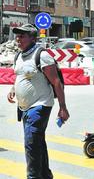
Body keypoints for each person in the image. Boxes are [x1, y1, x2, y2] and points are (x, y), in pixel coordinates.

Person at [7, 24, 70, 179]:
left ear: (32, 38)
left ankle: (33, 176)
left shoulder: (41, 55)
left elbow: (56, 82)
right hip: (25, 108)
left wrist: (63, 108)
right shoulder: (19, 56)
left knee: (31, 144)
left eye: (22, 36)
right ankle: (45, 175)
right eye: (17, 36)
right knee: (38, 143)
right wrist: (13, 89)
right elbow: (20, 75)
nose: (18, 39)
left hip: (40, 106)